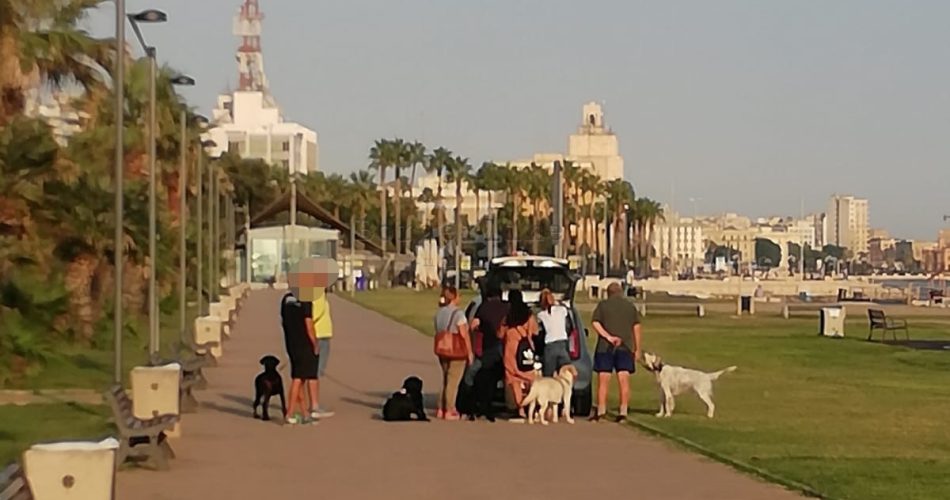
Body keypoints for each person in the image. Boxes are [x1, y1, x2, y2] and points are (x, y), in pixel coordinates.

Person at [590, 281, 642, 423]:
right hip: (625, 347)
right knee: (623, 380)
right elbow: (636, 328)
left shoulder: (603, 305)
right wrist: (637, 348)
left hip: (605, 347)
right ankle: (623, 412)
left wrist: (607, 336)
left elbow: (595, 322)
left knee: (603, 380)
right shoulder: (630, 307)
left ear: (608, 293)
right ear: (621, 292)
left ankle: (601, 411)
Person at [469, 283, 509, 422]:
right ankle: (496, 403)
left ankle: (480, 404)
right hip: (503, 346)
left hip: (487, 346)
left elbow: (473, 325)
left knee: (483, 377)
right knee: (496, 376)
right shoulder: (507, 307)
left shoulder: (483, 307)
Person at [280, 285, 319, 426]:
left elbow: (283, 321)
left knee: (300, 376)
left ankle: (304, 413)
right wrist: (315, 343)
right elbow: (309, 325)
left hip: (291, 342)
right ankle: (289, 413)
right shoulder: (306, 300)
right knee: (298, 379)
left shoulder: (286, 299)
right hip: (304, 343)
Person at [433, 286, 473, 420]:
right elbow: (464, 334)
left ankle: (440, 408)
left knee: (445, 379)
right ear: (454, 297)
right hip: (456, 350)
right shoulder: (458, 314)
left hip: (442, 348)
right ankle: (450, 409)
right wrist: (469, 352)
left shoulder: (439, 313)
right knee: (453, 381)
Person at [499, 289, 539, 421]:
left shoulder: (507, 316)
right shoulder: (529, 315)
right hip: (525, 348)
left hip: (511, 349)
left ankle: (520, 409)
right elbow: (535, 332)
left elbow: (500, 334)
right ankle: (532, 406)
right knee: (529, 375)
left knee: (513, 378)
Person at [309, 285, 335, 419]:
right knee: (315, 371)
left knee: (312, 371)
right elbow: (314, 314)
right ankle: (314, 405)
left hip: (320, 333)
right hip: (320, 334)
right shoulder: (318, 293)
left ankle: (308, 403)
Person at [537, 289, 572, 377]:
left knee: (548, 377)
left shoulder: (540, 315)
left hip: (550, 346)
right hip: (562, 344)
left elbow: (538, 332)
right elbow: (569, 325)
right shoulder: (562, 310)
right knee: (566, 374)